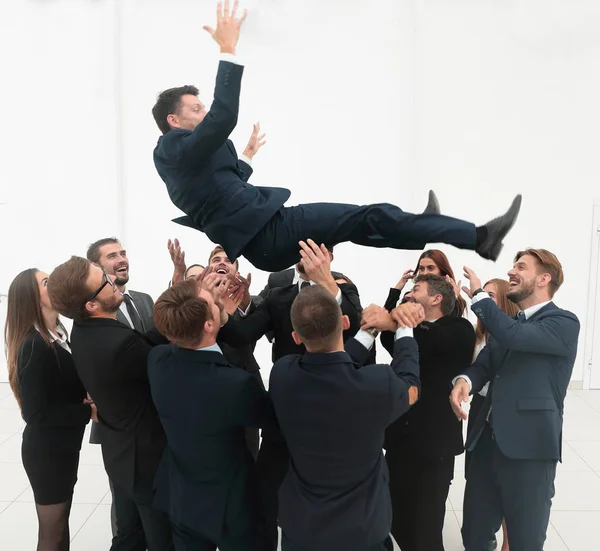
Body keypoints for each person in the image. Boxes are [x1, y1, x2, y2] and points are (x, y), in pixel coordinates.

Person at [152, 1, 522, 273]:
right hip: (270, 234)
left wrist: (245, 158)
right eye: (195, 109)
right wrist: (228, 49)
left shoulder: (186, 163)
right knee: (367, 217)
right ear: (173, 120)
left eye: (202, 107)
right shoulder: (170, 149)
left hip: (267, 241)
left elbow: (222, 192)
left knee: (364, 223)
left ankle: (424, 228)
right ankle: (478, 237)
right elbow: (224, 117)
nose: (203, 113)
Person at [217, 239, 365, 551]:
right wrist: (220, 306)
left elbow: (354, 324)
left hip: (332, 414)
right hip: (285, 413)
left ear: (329, 256)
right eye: (301, 249)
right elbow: (243, 333)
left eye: (316, 251)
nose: (306, 257)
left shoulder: (344, 290)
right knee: (267, 497)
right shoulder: (279, 293)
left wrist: (326, 278)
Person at [268, 284, 421, 551]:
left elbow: (330, 366)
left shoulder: (283, 374)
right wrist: (405, 327)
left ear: (295, 336)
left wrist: (369, 331)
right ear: (345, 322)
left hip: (302, 528)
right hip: (361, 532)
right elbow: (411, 388)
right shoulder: (377, 385)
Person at [450, 249, 580, 551]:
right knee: (474, 535)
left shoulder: (563, 323)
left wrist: (480, 295)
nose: (511, 271)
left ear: (543, 278)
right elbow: (484, 364)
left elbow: (515, 337)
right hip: (485, 447)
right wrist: (464, 381)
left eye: (521, 267)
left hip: (530, 453)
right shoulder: (509, 326)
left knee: (524, 541)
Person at [47, 257, 173, 551]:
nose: (113, 281)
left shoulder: (83, 330)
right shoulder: (119, 343)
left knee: (128, 535)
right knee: (160, 539)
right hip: (146, 460)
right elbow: (159, 360)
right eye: (104, 281)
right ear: (91, 304)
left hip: (120, 453)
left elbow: (143, 341)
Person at [148, 276, 275, 551]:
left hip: (182, 495)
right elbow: (269, 419)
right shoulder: (236, 384)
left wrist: (214, 309)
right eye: (210, 302)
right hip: (231, 505)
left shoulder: (157, 360)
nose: (216, 299)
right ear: (208, 325)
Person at [373, 274, 475, 551]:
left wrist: (398, 320)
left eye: (415, 289)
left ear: (436, 298)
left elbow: (430, 338)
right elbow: (386, 336)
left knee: (426, 528)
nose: (410, 292)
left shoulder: (459, 328)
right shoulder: (405, 333)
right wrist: (395, 297)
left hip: (433, 447)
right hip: (399, 441)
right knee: (397, 520)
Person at [5, 268, 96, 551]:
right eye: (46, 282)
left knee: (60, 526)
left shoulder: (58, 334)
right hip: (47, 452)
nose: (54, 284)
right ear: (32, 298)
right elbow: (35, 413)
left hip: (64, 446)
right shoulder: (34, 344)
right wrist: (87, 413)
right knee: (52, 534)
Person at [86, 237, 157, 537]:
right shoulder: (88, 312)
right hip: (115, 424)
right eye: (112, 255)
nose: (121, 259)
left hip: (150, 420)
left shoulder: (143, 300)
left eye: (123, 253)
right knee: (125, 506)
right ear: (96, 267)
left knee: (151, 502)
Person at [467, 279, 518, 551]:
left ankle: (509, 543)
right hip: (479, 408)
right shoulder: (478, 334)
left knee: (507, 486)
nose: (482, 299)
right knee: (478, 476)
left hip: (503, 412)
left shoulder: (512, 335)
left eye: (489, 296)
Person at [389, 249, 467, 316]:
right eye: (421, 269)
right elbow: (387, 326)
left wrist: (453, 297)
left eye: (430, 268)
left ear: (442, 272)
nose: (425, 273)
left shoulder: (457, 301)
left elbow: (448, 327)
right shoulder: (410, 296)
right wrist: (397, 289)